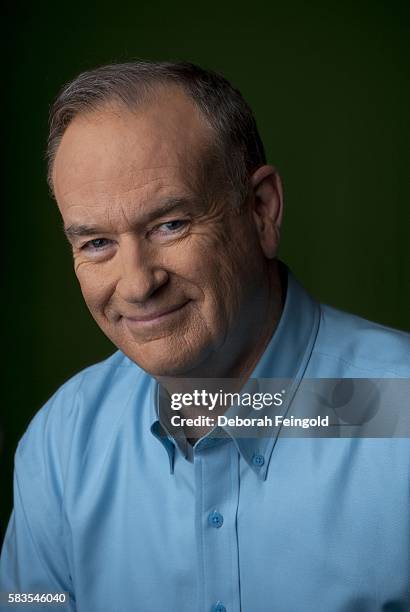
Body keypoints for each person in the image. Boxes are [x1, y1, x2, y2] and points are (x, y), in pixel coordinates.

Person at [0, 61, 409, 612]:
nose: (139, 284)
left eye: (170, 225)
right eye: (97, 242)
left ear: (262, 210)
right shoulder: (60, 444)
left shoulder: (400, 412)